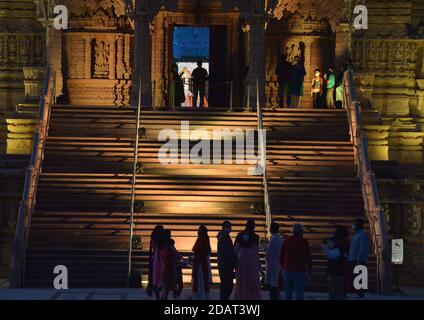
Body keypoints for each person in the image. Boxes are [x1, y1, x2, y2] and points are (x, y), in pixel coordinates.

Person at [280, 224, 312, 300]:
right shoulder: (304, 242)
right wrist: (310, 267)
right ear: (301, 231)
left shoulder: (286, 241)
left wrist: (282, 267)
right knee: (299, 294)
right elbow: (307, 256)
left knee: (288, 293)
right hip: (300, 270)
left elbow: (282, 255)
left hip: (287, 269)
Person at [234, 219, 262, 300]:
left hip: (241, 259)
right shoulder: (256, 237)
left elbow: (235, 250)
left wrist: (234, 261)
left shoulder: (240, 235)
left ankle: (241, 296)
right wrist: (258, 264)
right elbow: (256, 252)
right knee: (252, 279)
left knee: (242, 280)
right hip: (252, 261)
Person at [322, 226, 348, 300]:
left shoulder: (339, 245)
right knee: (337, 293)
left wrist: (324, 246)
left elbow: (330, 255)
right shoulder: (344, 243)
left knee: (333, 293)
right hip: (340, 271)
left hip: (334, 271)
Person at [217, 221, 237, 300]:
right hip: (226, 265)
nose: (230, 228)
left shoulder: (224, 236)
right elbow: (228, 251)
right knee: (227, 286)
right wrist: (234, 261)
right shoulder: (224, 237)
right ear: (224, 227)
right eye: (229, 227)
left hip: (225, 264)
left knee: (226, 286)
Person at [348, 218, 369, 298]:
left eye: (354, 224)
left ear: (358, 226)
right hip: (352, 259)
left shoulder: (362, 235)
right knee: (355, 278)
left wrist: (359, 259)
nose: (353, 226)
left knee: (359, 278)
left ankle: (361, 294)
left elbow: (362, 248)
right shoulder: (356, 235)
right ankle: (358, 293)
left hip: (358, 260)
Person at [192, 225, 212, 300]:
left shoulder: (204, 240)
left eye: (199, 231)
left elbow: (202, 251)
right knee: (199, 280)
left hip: (201, 264)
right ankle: (200, 294)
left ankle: (201, 295)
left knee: (201, 279)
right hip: (199, 262)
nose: (197, 232)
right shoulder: (200, 239)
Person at [265, 222, 284, 300]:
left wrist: (265, 249)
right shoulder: (279, 239)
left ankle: (273, 297)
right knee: (275, 282)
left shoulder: (273, 239)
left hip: (273, 263)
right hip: (277, 262)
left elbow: (269, 252)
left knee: (273, 283)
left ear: (271, 229)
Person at [159, 230, 179, 300]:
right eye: (169, 234)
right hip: (168, 267)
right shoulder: (168, 245)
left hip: (165, 267)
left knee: (166, 287)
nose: (170, 236)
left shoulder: (163, 244)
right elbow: (175, 254)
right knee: (166, 287)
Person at [147, 225, 164, 299]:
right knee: (157, 279)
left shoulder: (155, 240)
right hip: (157, 260)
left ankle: (157, 295)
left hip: (156, 260)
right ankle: (157, 295)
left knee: (156, 279)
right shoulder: (156, 240)